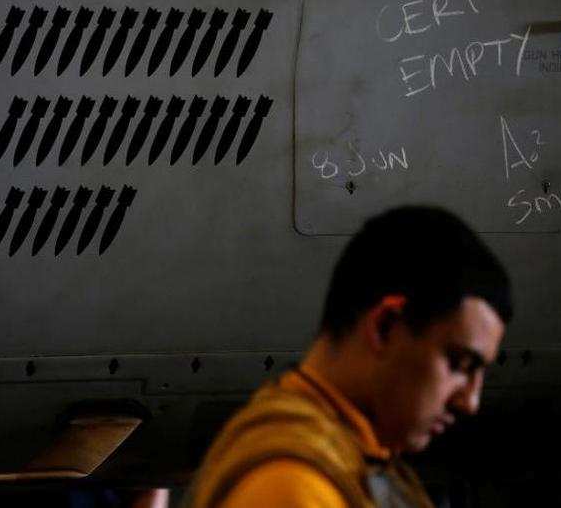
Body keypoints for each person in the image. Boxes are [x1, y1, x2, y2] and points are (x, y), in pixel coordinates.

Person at [185, 206, 513, 507]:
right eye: (460, 364)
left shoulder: (354, 461)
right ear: (386, 327)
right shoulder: (293, 488)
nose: (470, 401)